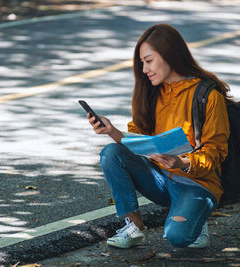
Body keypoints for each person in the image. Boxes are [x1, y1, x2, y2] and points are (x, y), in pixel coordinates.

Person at [86, 24, 230, 249]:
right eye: (142, 63)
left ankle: (197, 217)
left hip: (197, 184)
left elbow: (215, 153)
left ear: (169, 55)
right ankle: (135, 228)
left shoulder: (207, 96)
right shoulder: (150, 93)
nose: (144, 69)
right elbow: (138, 141)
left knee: (178, 238)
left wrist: (181, 162)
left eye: (149, 61)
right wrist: (111, 131)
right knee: (111, 153)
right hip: (159, 179)